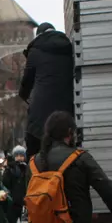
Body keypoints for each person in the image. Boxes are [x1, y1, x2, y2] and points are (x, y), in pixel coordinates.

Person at [19, 23, 75, 157]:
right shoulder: (69, 49)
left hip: (40, 114)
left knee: (35, 155)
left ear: (39, 35)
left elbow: (27, 82)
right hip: (65, 112)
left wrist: (24, 96)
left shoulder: (36, 51)